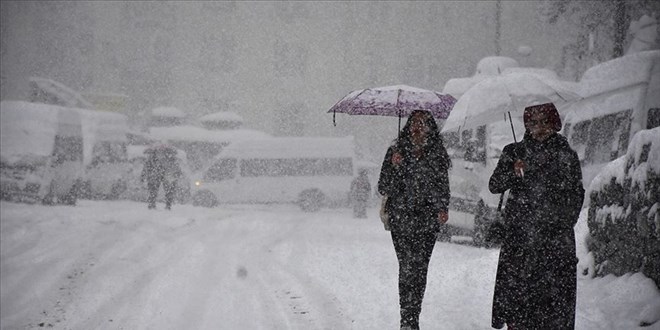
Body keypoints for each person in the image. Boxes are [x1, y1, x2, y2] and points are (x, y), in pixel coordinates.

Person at [488, 102, 584, 329]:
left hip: (555, 242)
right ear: (526, 125)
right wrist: (513, 171)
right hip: (520, 240)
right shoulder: (514, 152)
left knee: (553, 306)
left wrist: (561, 222)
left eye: (544, 122)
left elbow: (576, 193)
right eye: (534, 122)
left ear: (554, 123)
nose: (539, 127)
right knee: (518, 302)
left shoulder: (566, 154)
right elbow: (494, 185)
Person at [377, 110, 452, 330]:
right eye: (415, 123)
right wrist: (395, 166)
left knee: (420, 268)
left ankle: (413, 316)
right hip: (401, 218)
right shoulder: (395, 151)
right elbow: (383, 186)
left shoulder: (436, 154)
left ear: (430, 128)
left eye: (423, 123)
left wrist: (442, 208)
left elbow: (442, 186)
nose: (418, 127)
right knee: (407, 267)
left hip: (427, 220)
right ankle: (406, 319)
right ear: (408, 126)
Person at [141, 145, 183, 210]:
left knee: (155, 191)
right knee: (165, 191)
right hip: (163, 177)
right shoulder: (170, 159)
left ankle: (154, 204)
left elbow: (146, 168)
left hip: (158, 176)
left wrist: (143, 176)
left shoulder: (153, 159)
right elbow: (177, 168)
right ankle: (164, 205)